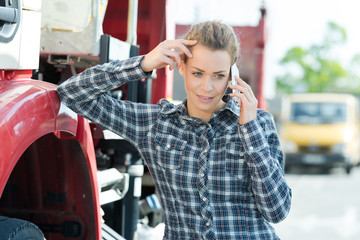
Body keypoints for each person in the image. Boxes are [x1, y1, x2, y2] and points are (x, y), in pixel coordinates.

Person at [57, 21, 292, 240]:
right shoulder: (157, 124)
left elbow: (277, 211)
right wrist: (144, 63)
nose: (207, 87)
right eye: (198, 73)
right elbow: (72, 94)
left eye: (219, 76)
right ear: (181, 66)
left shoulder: (258, 123)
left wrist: (249, 130)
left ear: (232, 76)